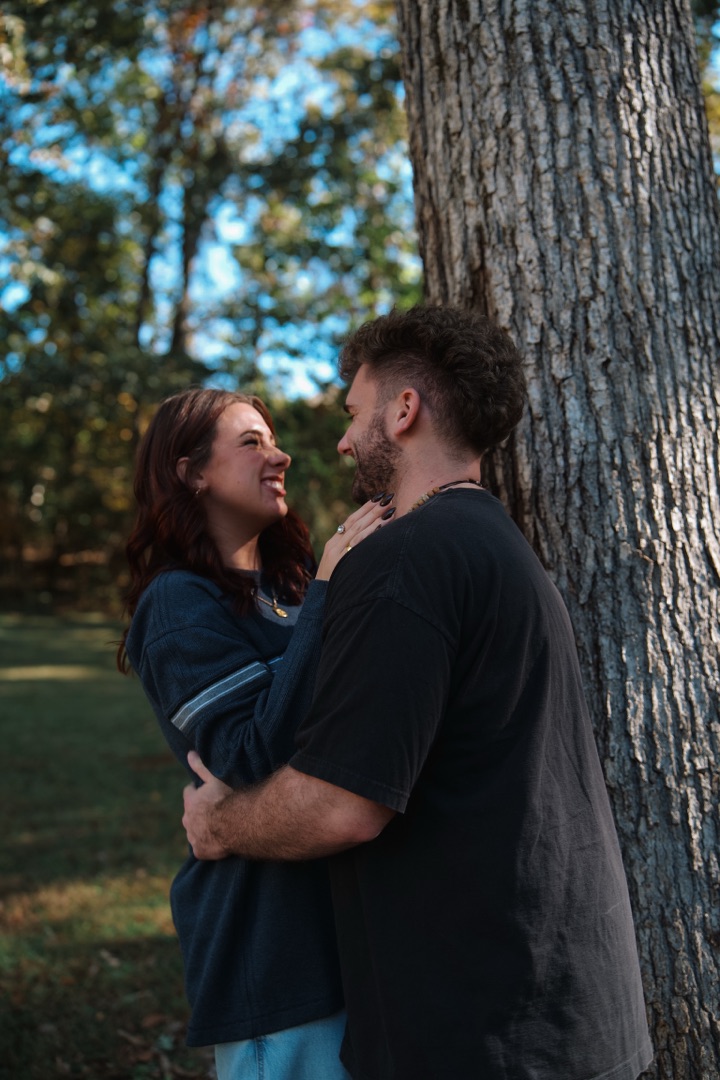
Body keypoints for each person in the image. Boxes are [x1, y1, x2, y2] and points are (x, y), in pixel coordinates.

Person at [182, 305, 654, 1080]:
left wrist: (222, 824)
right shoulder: (497, 545)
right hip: (570, 1016)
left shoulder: (406, 557)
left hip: (483, 1034)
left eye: (353, 413)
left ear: (404, 411)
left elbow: (342, 803)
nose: (339, 440)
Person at [117, 387, 391, 1080]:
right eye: (252, 443)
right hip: (272, 958)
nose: (282, 455)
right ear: (191, 473)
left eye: (272, 441)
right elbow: (246, 753)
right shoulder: (177, 602)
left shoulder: (288, 586)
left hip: (348, 944)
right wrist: (332, 588)